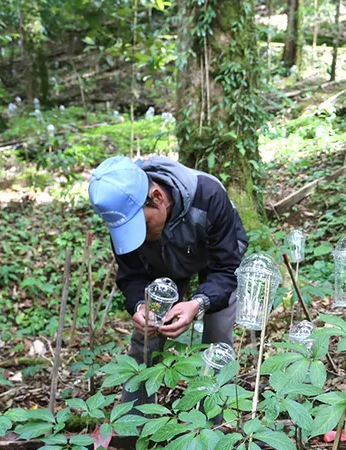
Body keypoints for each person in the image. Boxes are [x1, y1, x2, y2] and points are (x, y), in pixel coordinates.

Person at [88, 155, 247, 406]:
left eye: (143, 226)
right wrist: (140, 305)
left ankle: (214, 425)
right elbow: (131, 275)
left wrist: (198, 303)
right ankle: (134, 424)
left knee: (217, 337)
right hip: (162, 265)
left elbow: (227, 267)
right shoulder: (122, 215)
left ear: (158, 197)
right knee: (146, 335)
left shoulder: (208, 196)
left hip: (213, 259)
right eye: (129, 231)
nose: (138, 238)